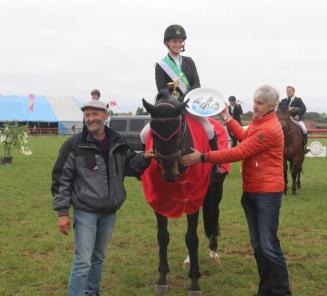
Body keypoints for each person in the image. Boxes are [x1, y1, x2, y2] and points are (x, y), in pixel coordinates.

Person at [181, 85, 292, 296]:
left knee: (269, 246)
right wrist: (227, 116)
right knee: (258, 245)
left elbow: (239, 152)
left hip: (266, 194)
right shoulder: (259, 123)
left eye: (260, 103)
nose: (255, 106)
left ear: (271, 106)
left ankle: (281, 291)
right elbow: (242, 135)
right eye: (254, 101)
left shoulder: (269, 129)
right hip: (253, 191)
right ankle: (266, 290)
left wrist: (203, 157)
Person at [51, 100, 153, 296]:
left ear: (105, 115)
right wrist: (62, 212)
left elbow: (130, 166)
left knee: (98, 257)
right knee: (83, 260)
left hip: (109, 213)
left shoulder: (118, 141)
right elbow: (61, 180)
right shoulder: (74, 145)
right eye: (87, 115)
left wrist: (144, 158)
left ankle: (92, 292)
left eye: (94, 114)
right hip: (85, 212)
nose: (90, 119)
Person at [140, 24, 217, 152]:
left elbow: (196, 84)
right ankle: (146, 162)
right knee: (143, 134)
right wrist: (177, 102)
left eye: (180, 41)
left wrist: (185, 100)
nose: (178, 44)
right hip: (170, 109)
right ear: (167, 43)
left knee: (209, 129)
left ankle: (216, 163)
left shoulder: (189, 61)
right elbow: (162, 90)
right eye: (174, 41)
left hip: (190, 105)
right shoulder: (161, 65)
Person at [279, 86, 309, 153]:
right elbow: (279, 110)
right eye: (287, 91)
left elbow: (304, 108)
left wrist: (298, 115)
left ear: (293, 91)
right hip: (285, 121)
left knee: (304, 129)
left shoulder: (298, 99)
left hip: (295, 120)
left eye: (290, 91)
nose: (288, 92)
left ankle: (304, 147)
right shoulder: (283, 101)